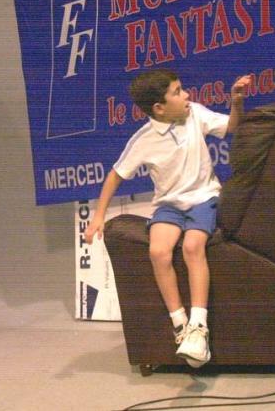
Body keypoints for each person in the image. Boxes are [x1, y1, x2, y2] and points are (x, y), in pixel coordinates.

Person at [85, 69, 251, 368]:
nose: (186, 95)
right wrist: (98, 216)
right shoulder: (144, 139)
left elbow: (232, 127)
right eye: (177, 92)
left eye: (182, 88)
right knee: (158, 251)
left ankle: (199, 327)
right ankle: (181, 326)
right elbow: (115, 175)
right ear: (159, 108)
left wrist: (236, 102)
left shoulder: (196, 114)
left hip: (204, 198)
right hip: (169, 206)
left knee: (192, 247)